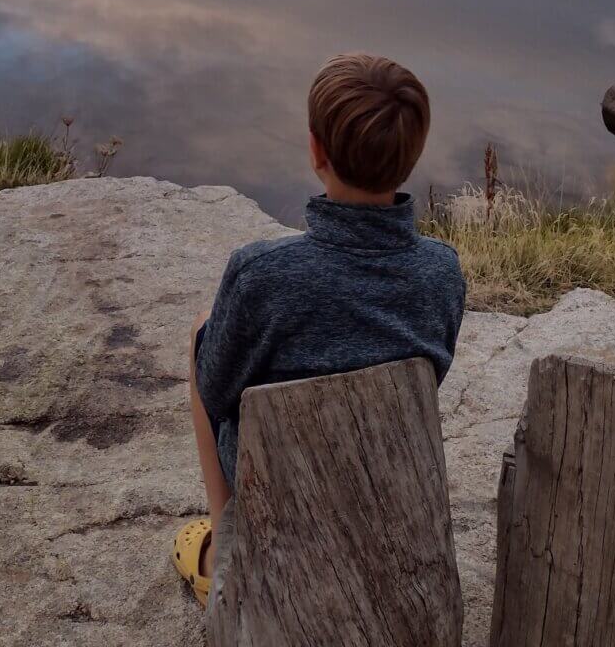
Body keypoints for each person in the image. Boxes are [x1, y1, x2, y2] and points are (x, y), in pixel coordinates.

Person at [171, 52, 466, 607]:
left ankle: (226, 554)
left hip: (280, 486)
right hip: (381, 477)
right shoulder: (441, 272)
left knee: (201, 337)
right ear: (411, 157)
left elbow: (216, 392)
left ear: (315, 152)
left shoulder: (262, 275)